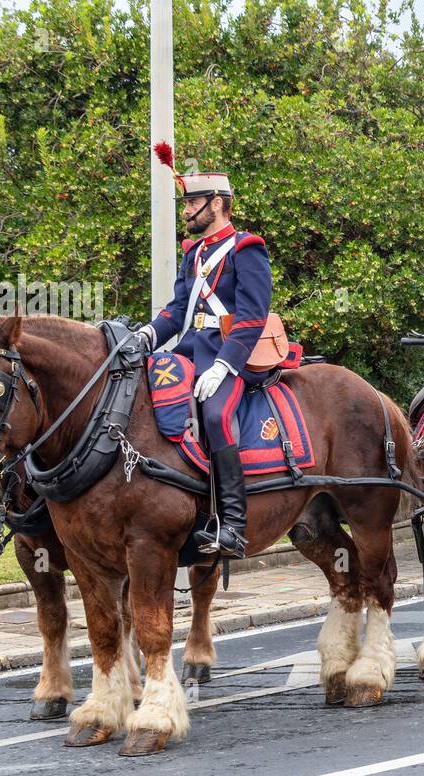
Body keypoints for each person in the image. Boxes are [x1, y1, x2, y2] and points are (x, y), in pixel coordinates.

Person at [137, 144, 273, 558]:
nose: (187, 210)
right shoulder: (194, 254)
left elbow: (252, 316)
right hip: (189, 351)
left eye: (194, 202)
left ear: (218, 203)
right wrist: (147, 336)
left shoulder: (246, 248)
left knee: (214, 413)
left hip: (231, 358)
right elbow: (179, 310)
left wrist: (225, 365)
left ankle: (232, 523)